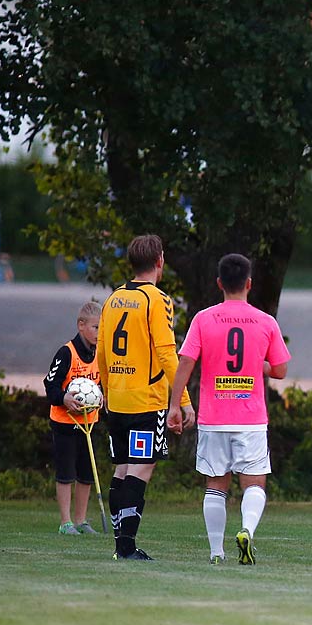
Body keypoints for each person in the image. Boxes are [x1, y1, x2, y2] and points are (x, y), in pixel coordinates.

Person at [167, 254, 290, 565]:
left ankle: (216, 552)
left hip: (213, 417)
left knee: (215, 483)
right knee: (254, 483)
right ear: (249, 284)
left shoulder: (203, 319)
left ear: (219, 283)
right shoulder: (265, 321)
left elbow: (186, 363)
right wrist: (256, 366)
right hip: (250, 418)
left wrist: (175, 405)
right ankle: (246, 529)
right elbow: (280, 370)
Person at [97, 234, 192, 561]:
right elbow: (167, 354)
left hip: (118, 399)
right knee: (142, 468)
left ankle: (120, 545)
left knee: (122, 468)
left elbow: (101, 354)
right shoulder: (157, 300)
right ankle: (126, 547)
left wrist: (107, 393)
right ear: (160, 261)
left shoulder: (112, 300)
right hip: (145, 401)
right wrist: (183, 400)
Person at [44, 299, 103, 536]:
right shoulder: (66, 352)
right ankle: (65, 522)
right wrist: (65, 399)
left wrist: (100, 398)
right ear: (81, 325)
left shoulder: (101, 352)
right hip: (65, 423)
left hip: (89, 424)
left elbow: (101, 384)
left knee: (86, 474)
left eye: (102, 327)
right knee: (66, 473)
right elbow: (50, 385)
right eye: (96, 327)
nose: (100, 333)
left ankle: (81, 520)